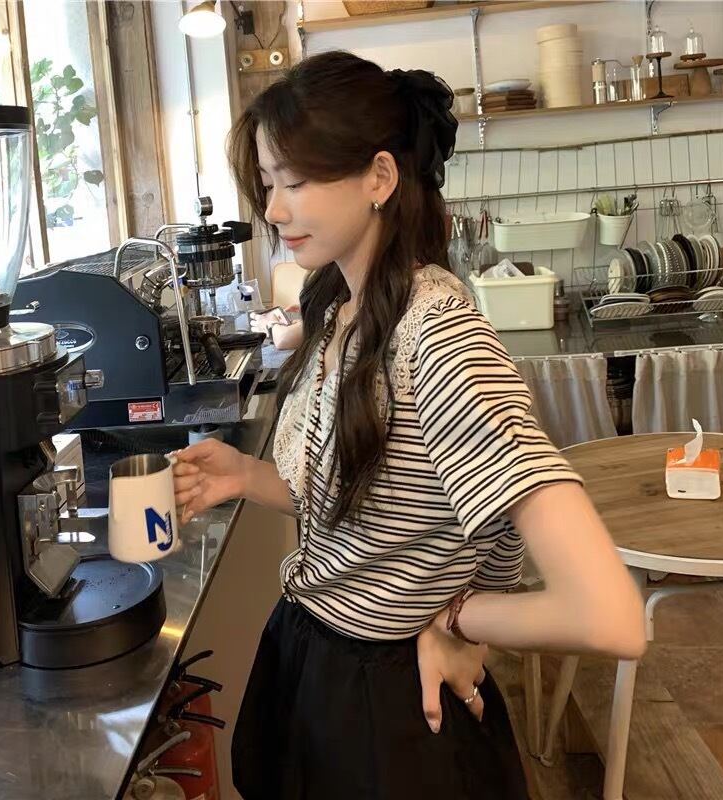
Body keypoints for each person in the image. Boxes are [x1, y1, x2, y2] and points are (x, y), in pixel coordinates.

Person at [171, 51, 645, 800]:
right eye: (267, 184)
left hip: (388, 708)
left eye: (296, 181)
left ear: (380, 178)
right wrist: (247, 477)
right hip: (312, 662)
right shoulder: (340, 306)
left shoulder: (439, 335)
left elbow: (609, 614)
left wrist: (462, 620)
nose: (275, 210)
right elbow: (375, 509)